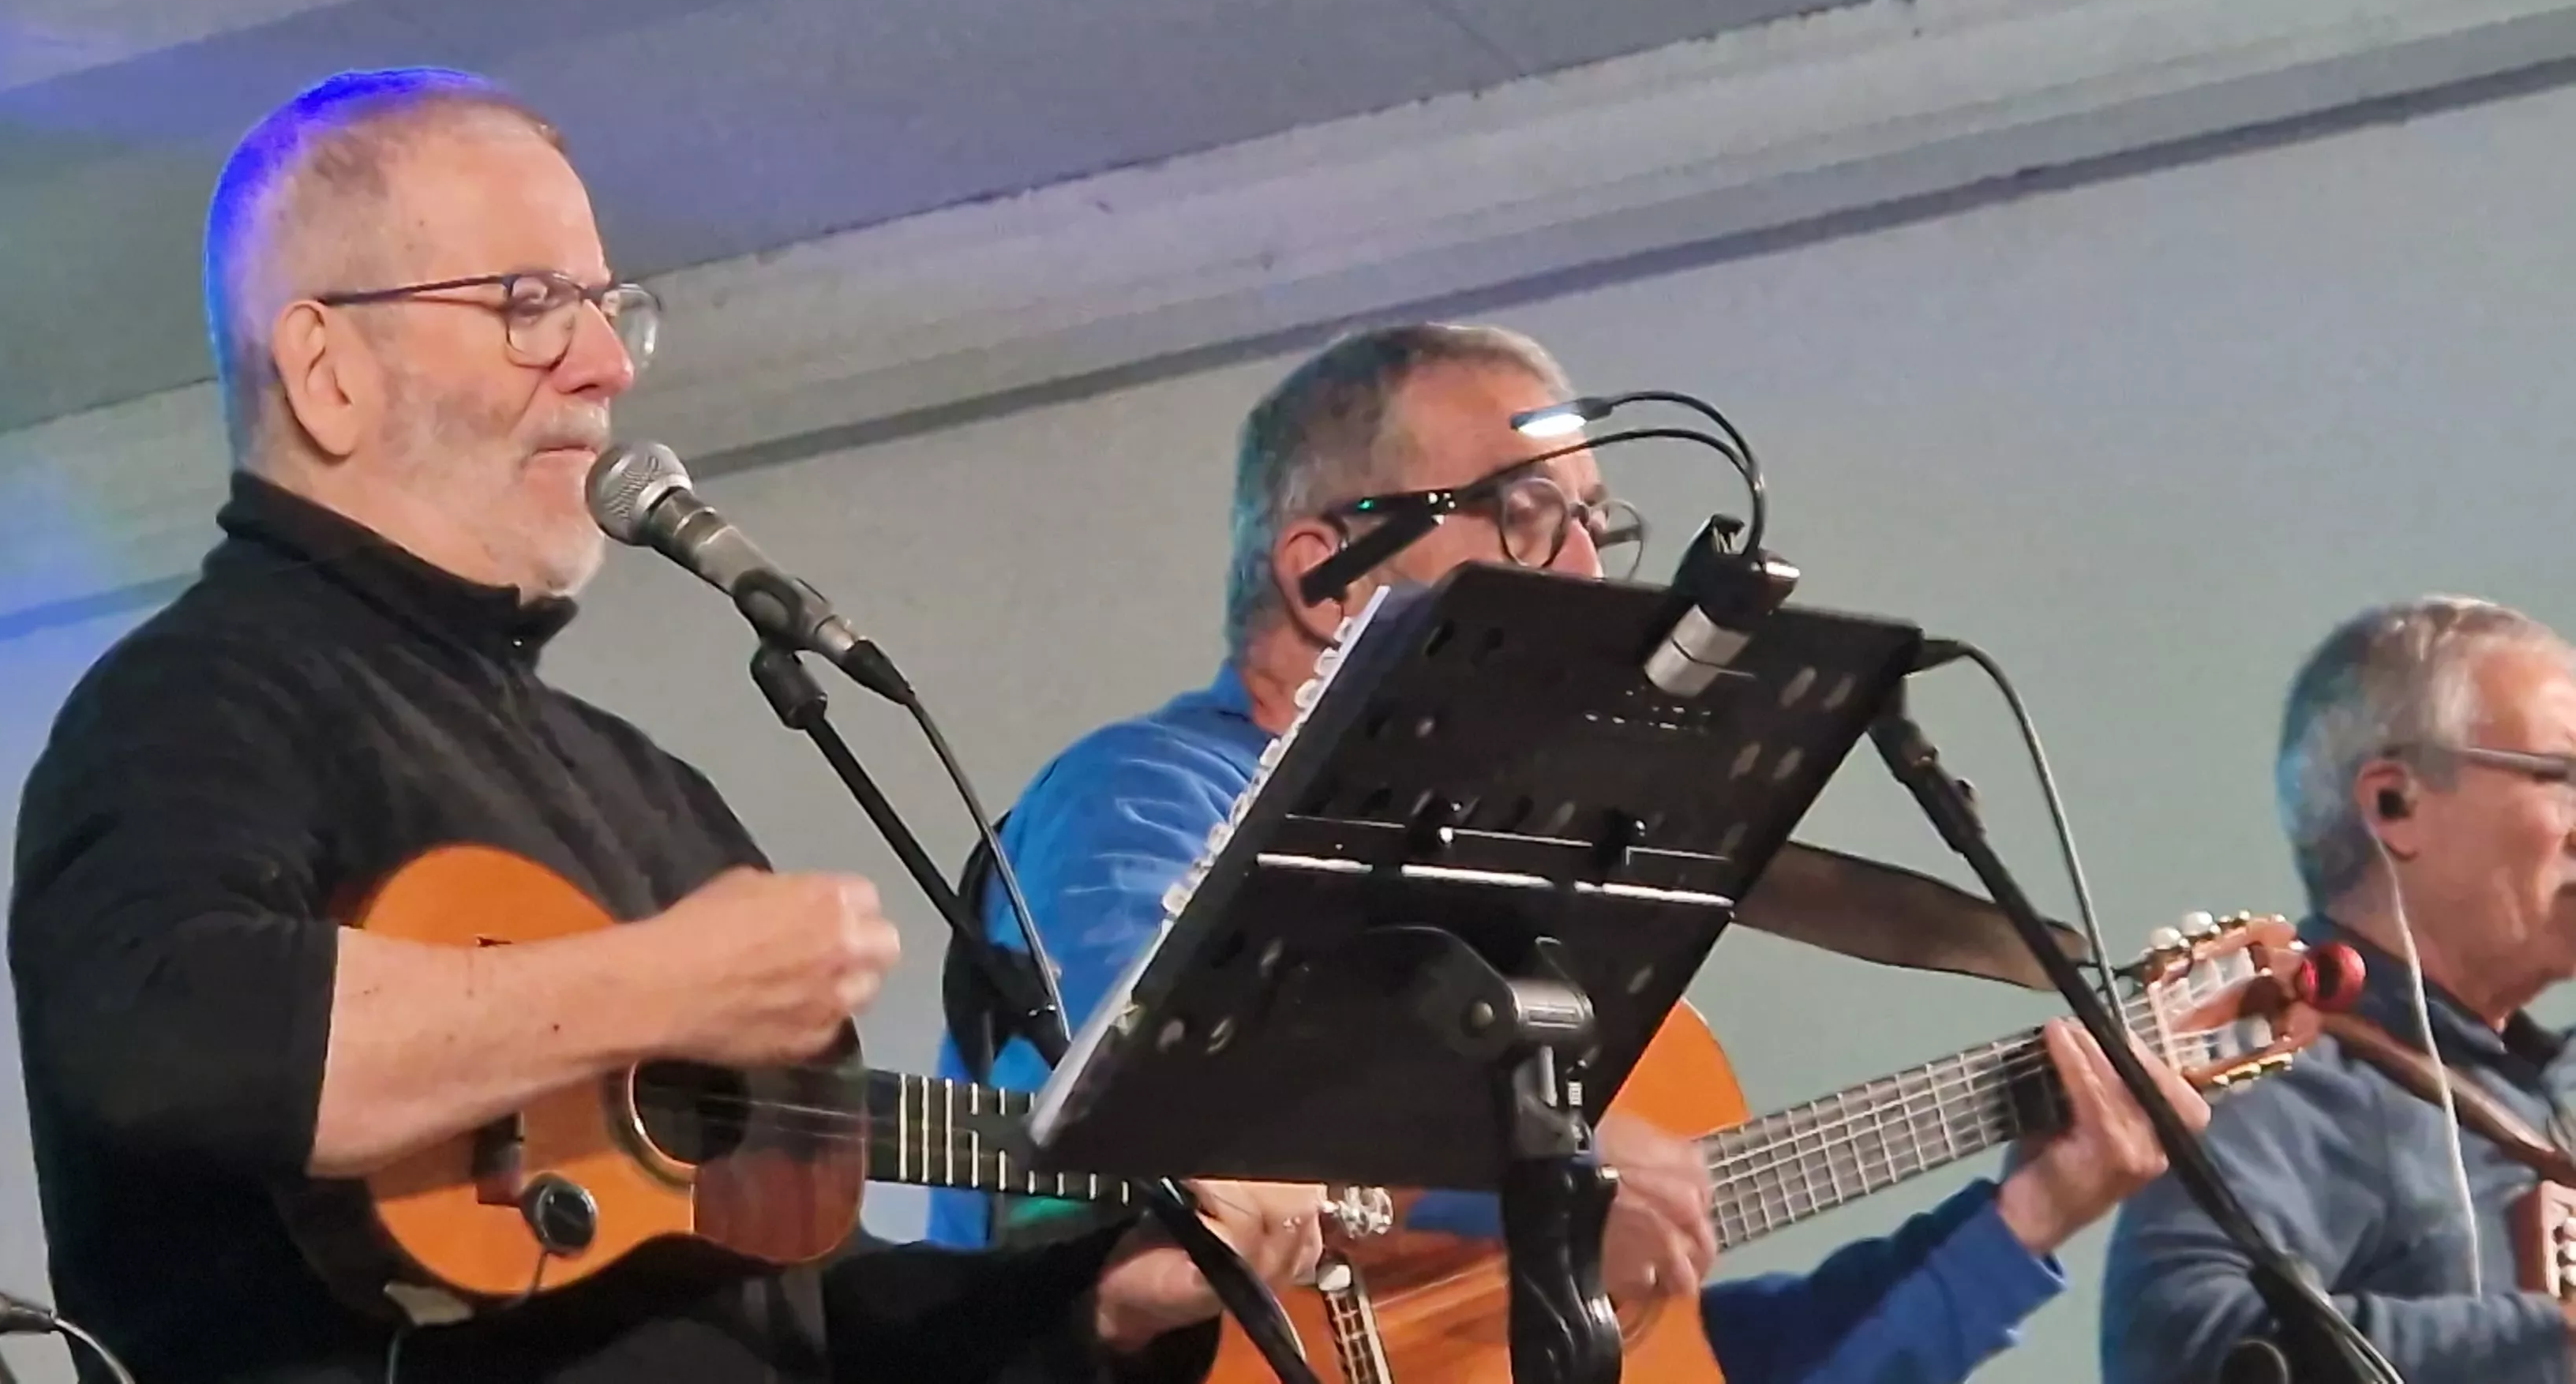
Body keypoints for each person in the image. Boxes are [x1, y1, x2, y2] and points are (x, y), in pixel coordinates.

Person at [5, 66, 1325, 1384]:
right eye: (528, 306)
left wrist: (1098, 1305)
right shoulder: (193, 697)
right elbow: (166, 1035)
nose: (604, 363)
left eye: (603, 307)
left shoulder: (650, 789)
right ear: (326, 367)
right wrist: (660, 984)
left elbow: (805, 1316)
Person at [929, 321, 2210, 1383]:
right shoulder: (1144, 794)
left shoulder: (1541, 923)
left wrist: (2035, 1206)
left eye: (1601, 520)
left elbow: (1717, 1363)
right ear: (1327, 575)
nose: (1591, 567)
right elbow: (1158, 1105)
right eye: (1526, 510)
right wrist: (1540, 1180)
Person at [2102, 597, 2576, 1382]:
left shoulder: (2549, 1085)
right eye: (2563, 777)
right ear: (2394, 805)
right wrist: (2544, 1344)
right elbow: (2185, 1348)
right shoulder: (2268, 1067)